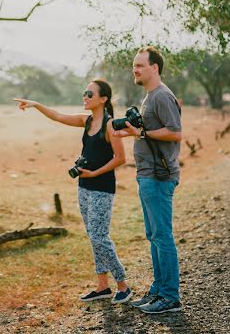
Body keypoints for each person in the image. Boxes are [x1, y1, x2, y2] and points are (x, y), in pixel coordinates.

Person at [14, 79, 133, 304]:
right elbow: (58, 116)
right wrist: (36, 104)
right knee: (93, 237)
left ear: (103, 99)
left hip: (102, 189)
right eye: (84, 93)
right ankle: (102, 286)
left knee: (100, 237)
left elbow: (121, 158)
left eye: (90, 94)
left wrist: (95, 173)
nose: (85, 97)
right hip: (84, 188)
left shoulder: (110, 125)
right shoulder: (86, 121)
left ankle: (123, 286)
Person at [113, 46, 182, 314]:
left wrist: (142, 133)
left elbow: (175, 133)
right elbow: (149, 132)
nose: (135, 69)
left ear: (155, 68)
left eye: (140, 65)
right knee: (153, 235)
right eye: (134, 65)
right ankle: (158, 290)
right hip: (148, 175)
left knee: (162, 236)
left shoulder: (162, 96)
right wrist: (136, 133)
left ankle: (170, 296)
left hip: (158, 175)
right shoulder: (150, 96)